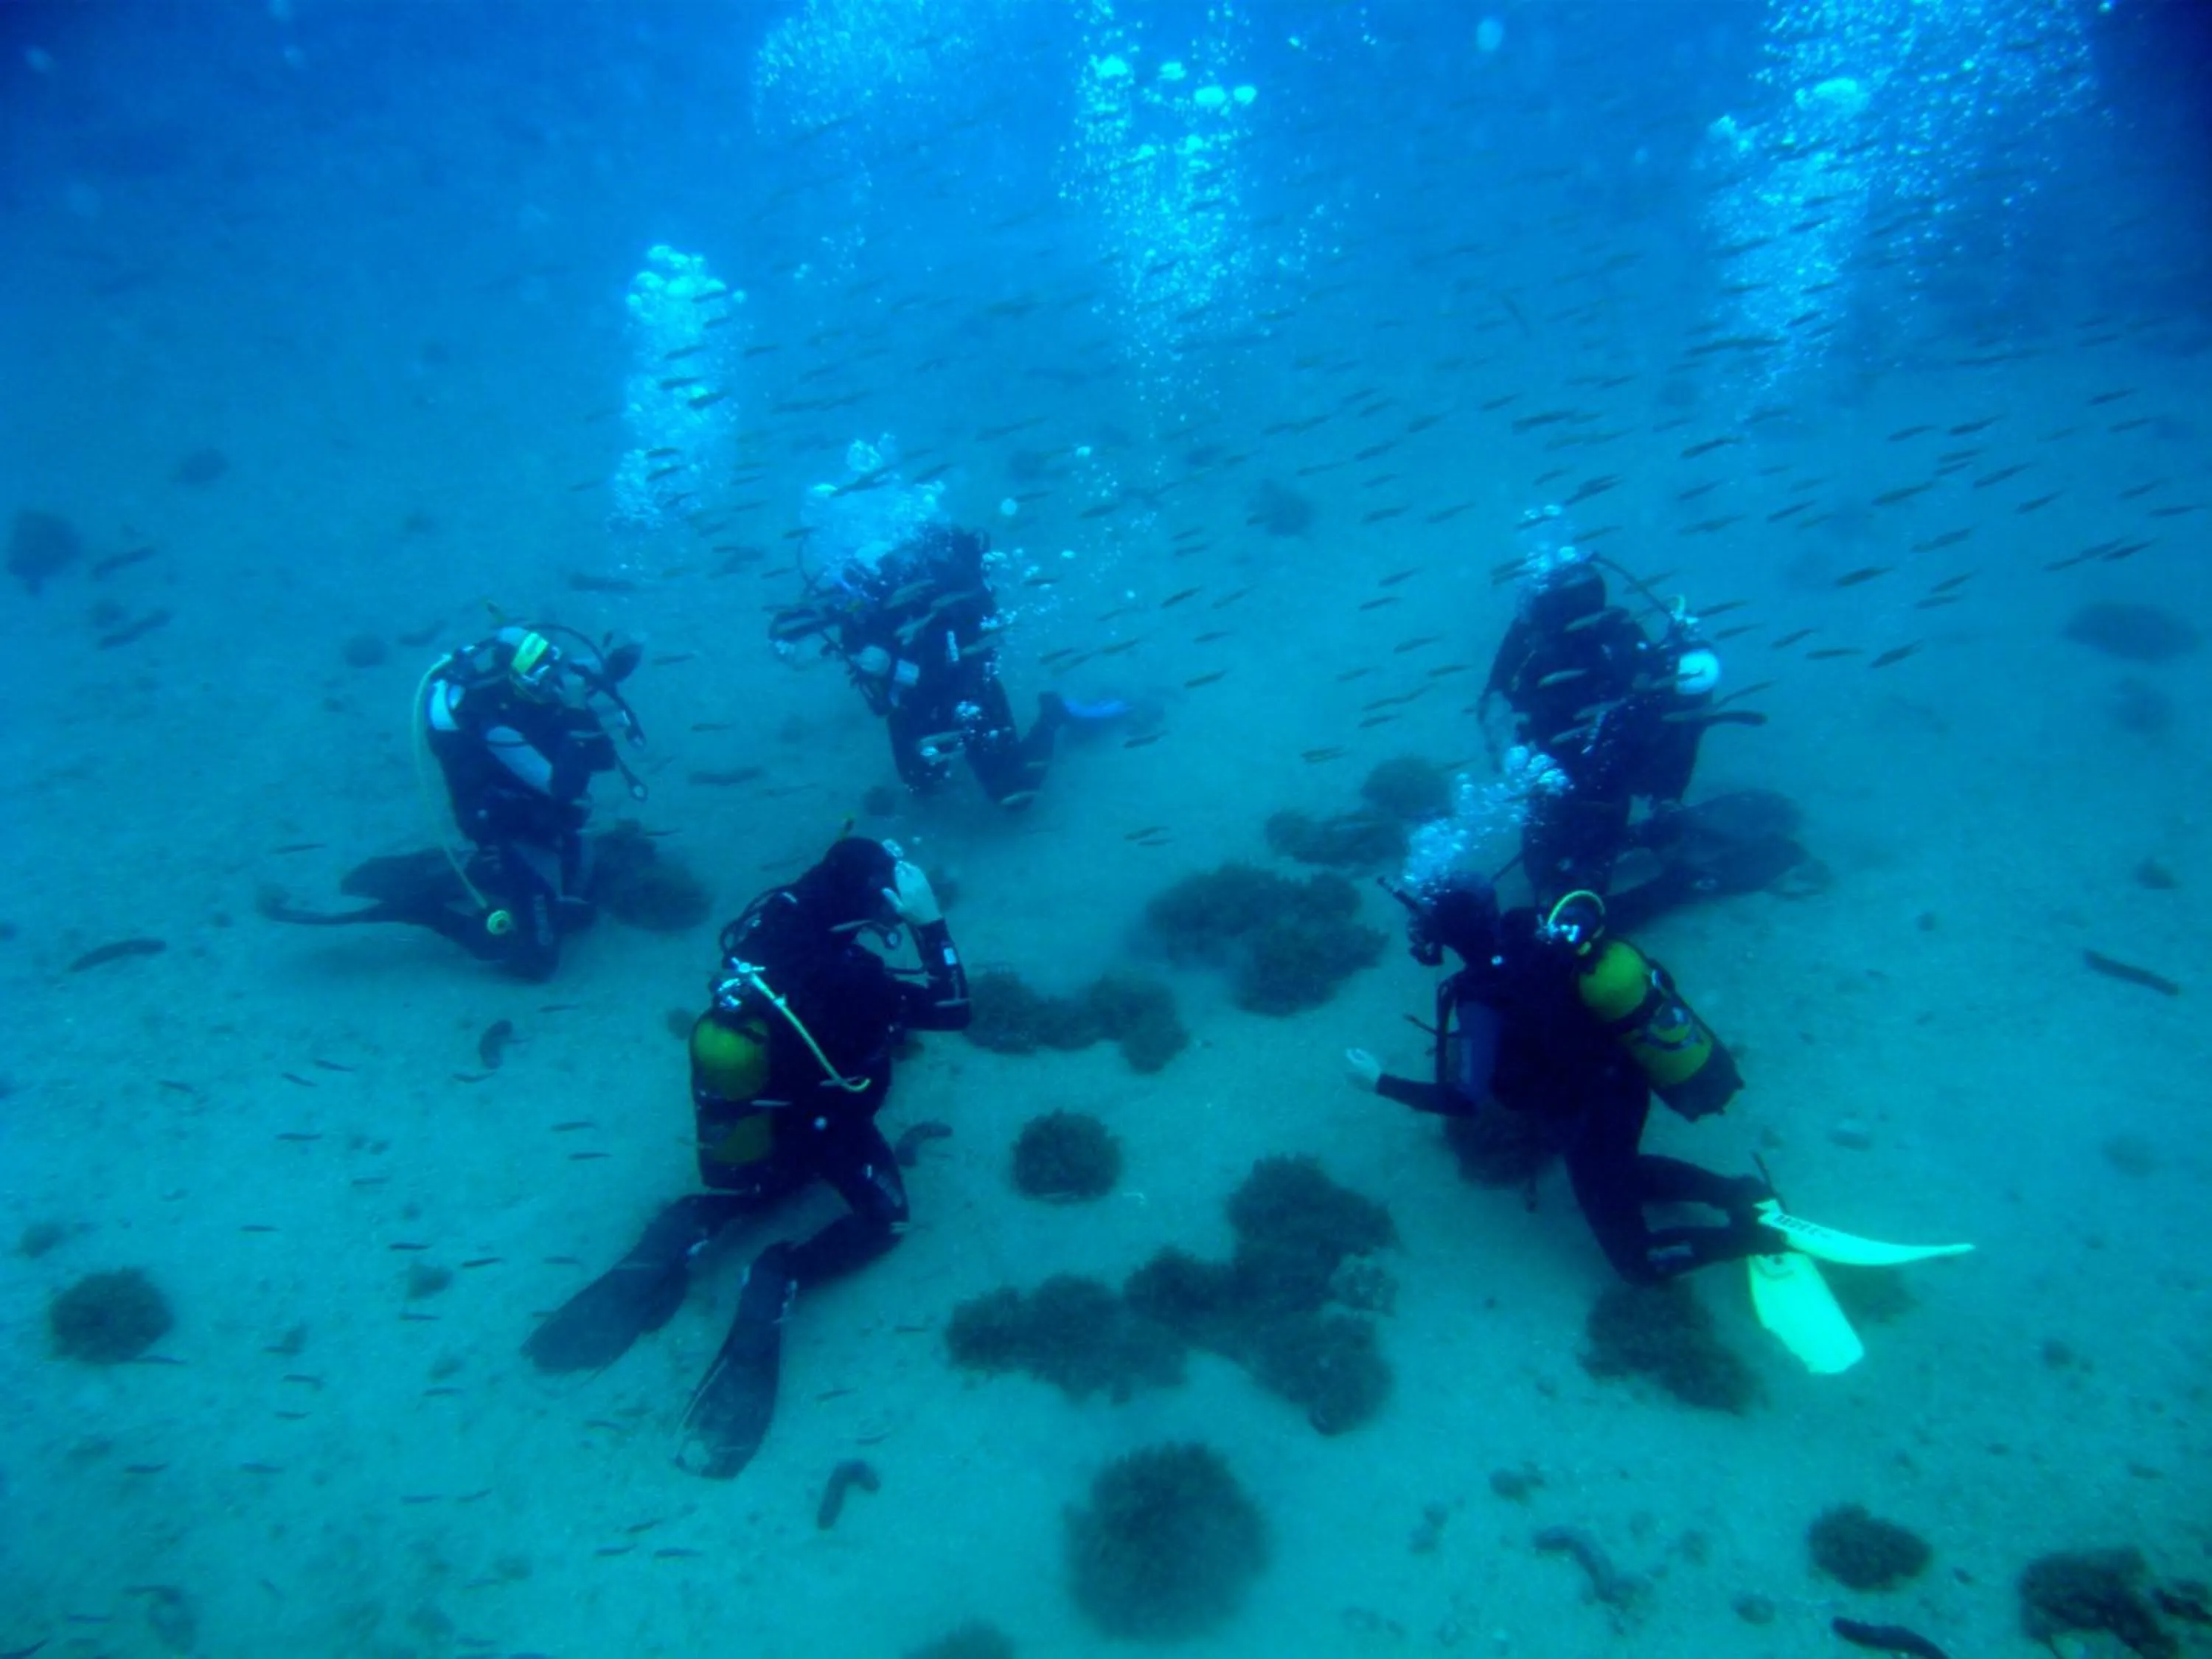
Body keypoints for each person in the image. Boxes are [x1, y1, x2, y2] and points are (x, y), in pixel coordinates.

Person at [524, 835, 969, 1478]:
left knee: (768, 1183)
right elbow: (955, 1009)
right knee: (887, 1220)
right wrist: (929, 922)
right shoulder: (855, 980)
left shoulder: (771, 915)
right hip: (825, 1121)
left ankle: (691, 1227)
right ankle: (782, 1275)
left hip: (757, 1114)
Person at [1346, 872, 1778, 1284]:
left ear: (1447, 934)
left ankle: (1762, 1237)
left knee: (1638, 1264)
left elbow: (1466, 1100)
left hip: (1587, 1116)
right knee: (1621, 1171)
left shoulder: (1480, 999)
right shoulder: (1530, 927)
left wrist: (1379, 1081)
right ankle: (1740, 1195)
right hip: (1626, 1080)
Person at [259, 623, 645, 979]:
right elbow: (562, 787)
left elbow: (582, 673)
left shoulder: (539, 683)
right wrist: (578, 721)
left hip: (545, 817)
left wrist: (617, 663)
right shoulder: (495, 726)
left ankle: (479, 871)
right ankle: (426, 910)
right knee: (536, 963)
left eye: (552, 674)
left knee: (582, 892)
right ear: (515, 681)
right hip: (514, 824)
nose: (553, 686)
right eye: (541, 680)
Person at [1478, 549, 1739, 917]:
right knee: (1553, 865)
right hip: (1593, 770)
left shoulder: (1605, 635)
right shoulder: (1596, 635)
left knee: (1567, 870)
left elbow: (1503, 700)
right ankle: (1649, 826)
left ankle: (1656, 819)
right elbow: (1502, 700)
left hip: (1611, 768)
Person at [771, 522, 1101, 808]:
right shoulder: (857, 603)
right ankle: (943, 753)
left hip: (967, 692)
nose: (855, 599)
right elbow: (808, 615)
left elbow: (949, 672)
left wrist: (891, 668)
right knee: (921, 785)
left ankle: (1052, 714)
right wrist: (783, 638)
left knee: (1015, 795)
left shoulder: (930, 602)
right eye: (850, 589)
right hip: (912, 705)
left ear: (886, 581)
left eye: (864, 590)